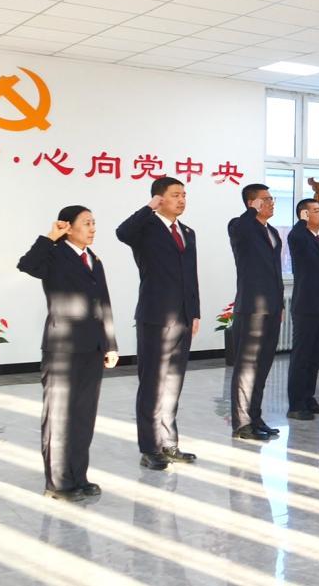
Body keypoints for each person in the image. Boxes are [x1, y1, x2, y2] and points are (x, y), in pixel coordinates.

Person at [18, 205, 119, 501]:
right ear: (68, 226)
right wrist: (50, 237)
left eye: (94, 222)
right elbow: (27, 265)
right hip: (62, 348)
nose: (92, 228)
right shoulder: (53, 254)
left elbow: (104, 304)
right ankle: (59, 483)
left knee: (83, 416)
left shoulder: (94, 260)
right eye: (86, 223)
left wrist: (110, 343)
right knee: (59, 416)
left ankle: (79, 476)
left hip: (93, 347)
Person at [116, 177, 200, 470]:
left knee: (173, 383)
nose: (182, 200)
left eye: (184, 194)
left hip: (183, 318)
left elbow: (191, 276)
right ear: (159, 198)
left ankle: (169, 443)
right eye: (175, 195)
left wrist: (195, 312)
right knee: (152, 385)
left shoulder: (187, 232)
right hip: (155, 317)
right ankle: (150, 448)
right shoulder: (145, 228)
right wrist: (148, 208)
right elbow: (122, 232)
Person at [227, 183, 284, 440]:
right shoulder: (240, 226)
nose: (271, 203)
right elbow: (241, 227)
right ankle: (242, 424)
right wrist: (251, 211)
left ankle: (255, 417)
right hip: (251, 309)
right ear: (252, 203)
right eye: (266, 199)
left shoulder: (272, 231)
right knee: (246, 368)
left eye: (272, 199)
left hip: (272, 307)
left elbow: (275, 272)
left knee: (262, 367)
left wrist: (280, 304)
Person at [286, 198, 319, 420]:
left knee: (314, 356)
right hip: (306, 305)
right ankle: (296, 404)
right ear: (304, 214)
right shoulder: (299, 236)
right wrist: (301, 222)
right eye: (316, 210)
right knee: (302, 355)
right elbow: (295, 236)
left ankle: (308, 398)